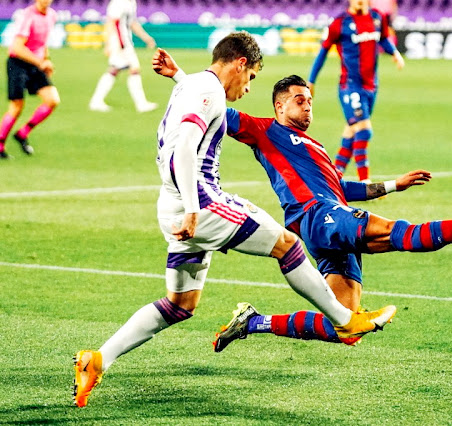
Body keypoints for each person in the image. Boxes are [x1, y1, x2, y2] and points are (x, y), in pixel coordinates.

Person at [72, 33, 396, 408]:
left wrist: (178, 75)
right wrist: (195, 208)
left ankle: (97, 360)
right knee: (287, 245)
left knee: (180, 305)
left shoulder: (195, 85)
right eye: (253, 76)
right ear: (240, 63)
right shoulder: (207, 90)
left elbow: (202, 109)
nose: (249, 85)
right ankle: (345, 319)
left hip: (173, 206)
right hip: (201, 202)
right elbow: (184, 147)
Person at [153, 52, 452, 352]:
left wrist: (393, 184)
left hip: (329, 216)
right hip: (316, 217)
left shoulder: (316, 147)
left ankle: (254, 322)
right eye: (299, 100)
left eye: (310, 101)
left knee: (346, 324)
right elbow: (210, 104)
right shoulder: (263, 130)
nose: (308, 107)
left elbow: (341, 188)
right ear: (279, 105)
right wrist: (179, 76)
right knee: (394, 233)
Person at [307, 0, 405, 183]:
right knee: (364, 131)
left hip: (371, 86)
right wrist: (311, 80)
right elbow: (323, 52)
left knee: (352, 132)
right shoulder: (340, 23)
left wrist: (395, 53)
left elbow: (383, 38)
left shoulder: (377, 17)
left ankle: (333, 179)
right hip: (350, 86)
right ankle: (364, 180)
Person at [0, 0, 59, 159]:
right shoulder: (27, 15)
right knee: (17, 106)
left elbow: (43, 42)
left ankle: (22, 133)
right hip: (17, 62)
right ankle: (0, 145)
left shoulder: (52, 15)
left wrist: (46, 59)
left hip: (35, 63)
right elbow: (17, 47)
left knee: (52, 100)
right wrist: (41, 62)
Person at [88, 0, 157, 113]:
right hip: (119, 42)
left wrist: (146, 38)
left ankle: (96, 101)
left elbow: (132, 23)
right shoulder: (118, 3)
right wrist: (109, 44)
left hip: (124, 41)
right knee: (134, 69)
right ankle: (141, 104)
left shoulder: (131, 3)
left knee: (114, 69)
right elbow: (111, 22)